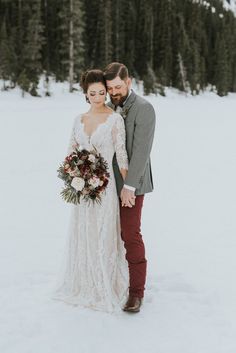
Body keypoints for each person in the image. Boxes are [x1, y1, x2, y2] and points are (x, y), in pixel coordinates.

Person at [53, 69, 129, 313]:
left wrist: (128, 187)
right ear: (85, 94)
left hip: (105, 189)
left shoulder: (115, 118)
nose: (98, 97)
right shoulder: (78, 119)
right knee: (84, 233)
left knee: (103, 235)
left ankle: (105, 283)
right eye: (92, 93)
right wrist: (74, 175)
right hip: (83, 191)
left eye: (101, 92)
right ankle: (83, 282)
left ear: (106, 92)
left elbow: (122, 156)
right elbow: (70, 152)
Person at [103, 62, 156, 313]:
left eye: (118, 86)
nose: (114, 92)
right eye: (110, 88)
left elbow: (141, 153)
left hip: (132, 185)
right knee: (106, 233)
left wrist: (129, 187)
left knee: (130, 234)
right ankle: (109, 280)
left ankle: (136, 292)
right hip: (107, 183)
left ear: (129, 82)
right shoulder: (106, 108)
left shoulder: (144, 109)